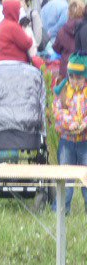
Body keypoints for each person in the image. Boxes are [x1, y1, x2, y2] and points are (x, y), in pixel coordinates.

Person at [52, 53, 87, 214]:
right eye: (72, 77)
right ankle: (62, 208)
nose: (75, 81)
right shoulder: (64, 90)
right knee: (66, 175)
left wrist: (83, 123)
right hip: (67, 140)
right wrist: (70, 123)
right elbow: (57, 111)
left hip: (84, 141)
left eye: (79, 78)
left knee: (85, 176)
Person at [53, 0, 85, 78]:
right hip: (83, 70)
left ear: (69, 13)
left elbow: (56, 48)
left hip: (67, 70)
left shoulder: (62, 30)